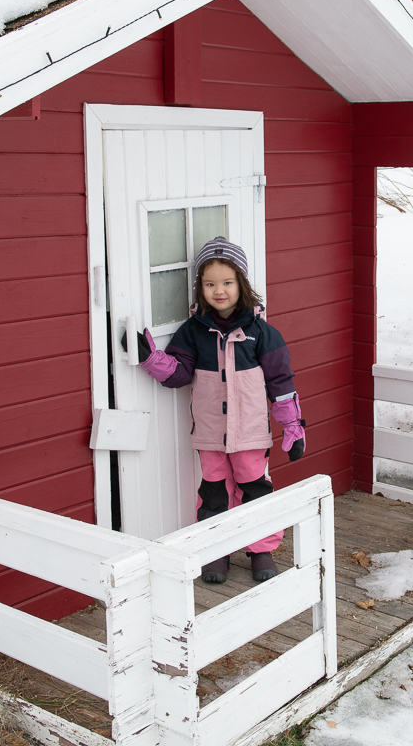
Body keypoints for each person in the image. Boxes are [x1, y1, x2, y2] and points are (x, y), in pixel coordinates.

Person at [125, 236, 306, 584]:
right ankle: (215, 550)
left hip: (251, 433)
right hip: (209, 434)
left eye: (227, 282)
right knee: (214, 493)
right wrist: (148, 357)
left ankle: (261, 549)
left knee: (254, 488)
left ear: (242, 283)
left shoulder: (263, 335)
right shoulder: (193, 333)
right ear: (200, 288)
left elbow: (282, 384)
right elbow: (177, 375)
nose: (218, 291)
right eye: (210, 284)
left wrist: (293, 427)